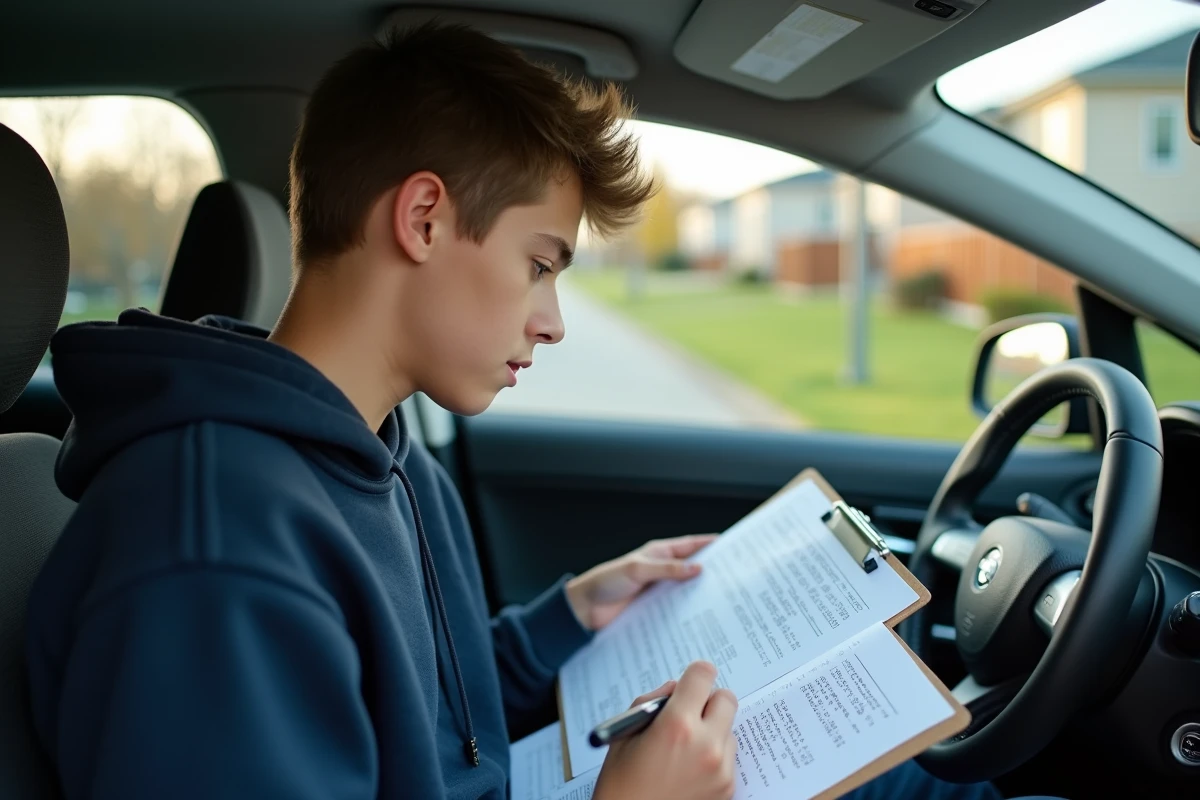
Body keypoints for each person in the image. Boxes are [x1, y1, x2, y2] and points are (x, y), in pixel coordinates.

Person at [26, 22, 999, 800]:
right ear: (423, 218)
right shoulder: (213, 543)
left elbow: (421, 711)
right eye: (539, 265)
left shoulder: (378, 452)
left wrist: (571, 615)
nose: (553, 321)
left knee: (910, 771)